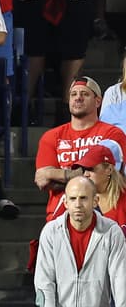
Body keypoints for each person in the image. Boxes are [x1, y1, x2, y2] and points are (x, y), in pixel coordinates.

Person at [35, 175, 126, 307]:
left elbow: (120, 277)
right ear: (65, 202)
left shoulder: (112, 231)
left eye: (83, 198)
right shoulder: (51, 232)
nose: (78, 204)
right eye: (73, 198)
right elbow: (44, 281)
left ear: (95, 201)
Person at [35, 78, 126, 218]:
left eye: (85, 94)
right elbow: (42, 180)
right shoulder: (51, 136)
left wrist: (55, 175)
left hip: (104, 215)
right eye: (73, 94)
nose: (78, 98)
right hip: (60, 215)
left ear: (98, 101)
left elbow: (108, 176)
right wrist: (89, 174)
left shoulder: (112, 133)